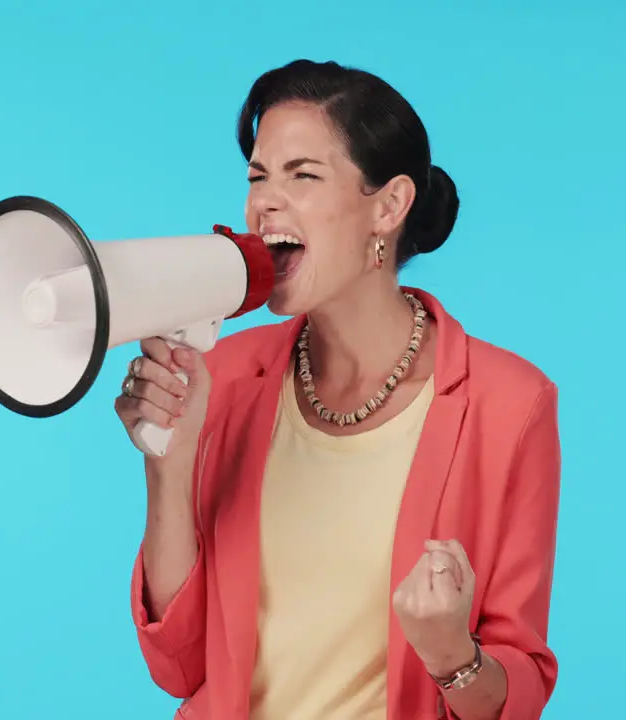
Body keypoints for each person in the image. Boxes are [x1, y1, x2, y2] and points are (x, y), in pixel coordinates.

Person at [115, 59, 563, 720]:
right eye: (257, 176)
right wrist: (169, 466)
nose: (263, 203)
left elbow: (513, 696)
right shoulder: (227, 377)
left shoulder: (508, 404)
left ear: (388, 206)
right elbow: (178, 667)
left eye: (303, 175)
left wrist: (452, 656)